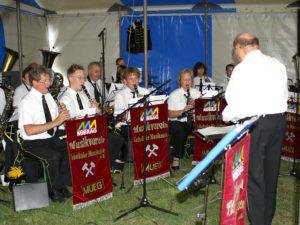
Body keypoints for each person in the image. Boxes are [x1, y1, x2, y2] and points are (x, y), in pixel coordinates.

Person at [222, 32, 287, 225]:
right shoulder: (277, 64)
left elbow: (234, 103)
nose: (236, 55)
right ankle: (267, 218)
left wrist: (226, 116)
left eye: (235, 51)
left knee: (254, 177)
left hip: (256, 124)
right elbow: (284, 95)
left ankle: (259, 221)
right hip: (278, 122)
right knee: (270, 174)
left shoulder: (242, 69)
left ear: (239, 47)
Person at [18, 65, 71, 202]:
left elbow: (55, 120)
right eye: (45, 81)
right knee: (53, 157)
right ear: (34, 83)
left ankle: (60, 184)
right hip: (30, 142)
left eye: (49, 80)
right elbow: (29, 130)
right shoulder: (26, 102)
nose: (48, 83)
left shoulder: (48, 97)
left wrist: (62, 115)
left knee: (70, 149)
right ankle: (52, 191)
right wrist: (56, 122)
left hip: (49, 137)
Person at [60, 64, 126, 172]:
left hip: (88, 130)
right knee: (102, 140)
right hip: (76, 135)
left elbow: (96, 116)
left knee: (115, 138)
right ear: (70, 78)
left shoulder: (83, 95)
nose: (82, 81)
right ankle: (95, 169)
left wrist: (97, 110)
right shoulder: (65, 98)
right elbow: (67, 124)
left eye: (83, 78)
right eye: (79, 78)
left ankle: (103, 168)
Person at [114, 67, 150, 163]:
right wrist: (135, 105)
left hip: (144, 122)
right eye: (131, 79)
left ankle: (154, 155)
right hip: (128, 125)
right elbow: (119, 117)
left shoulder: (145, 92)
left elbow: (153, 109)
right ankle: (135, 157)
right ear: (125, 81)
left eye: (136, 78)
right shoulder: (120, 95)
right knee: (132, 131)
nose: (134, 81)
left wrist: (145, 102)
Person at [168, 69, 201, 169]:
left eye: (189, 80)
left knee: (206, 127)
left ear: (192, 81)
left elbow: (205, 109)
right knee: (180, 130)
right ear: (180, 81)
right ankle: (176, 159)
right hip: (178, 121)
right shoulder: (174, 95)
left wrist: (197, 104)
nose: (187, 82)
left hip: (194, 121)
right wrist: (183, 110)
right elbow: (170, 114)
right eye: (184, 80)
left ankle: (203, 157)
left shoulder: (197, 93)